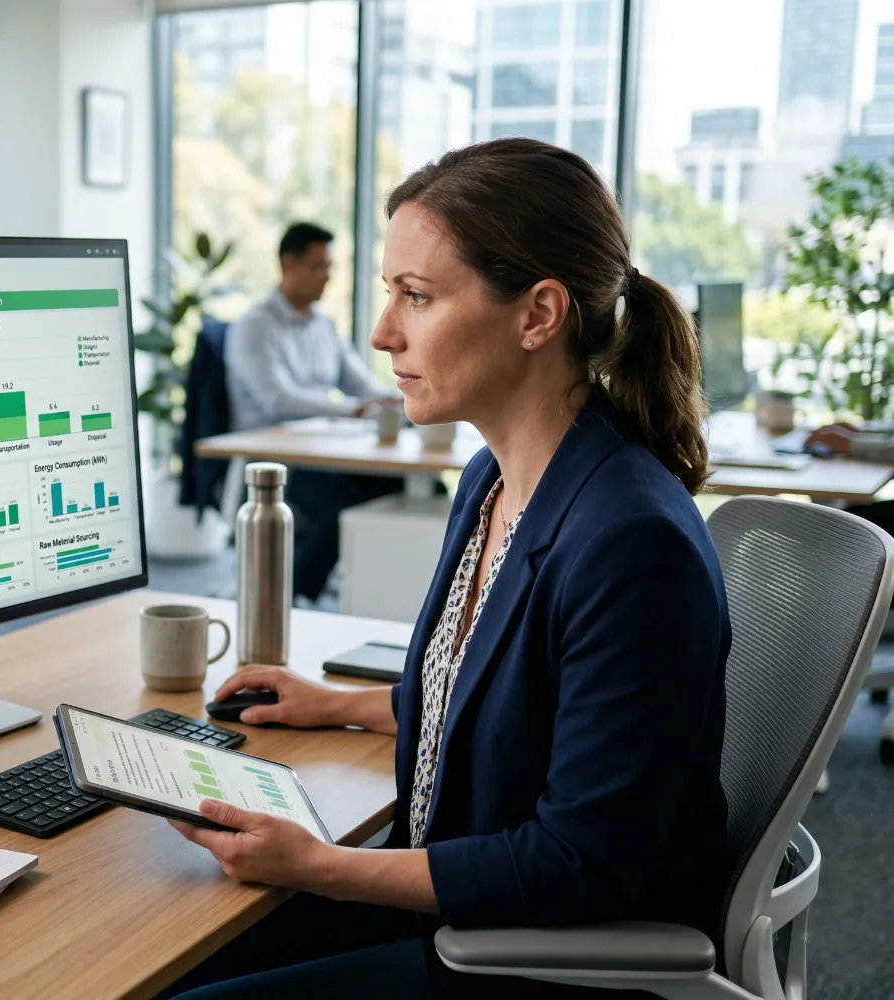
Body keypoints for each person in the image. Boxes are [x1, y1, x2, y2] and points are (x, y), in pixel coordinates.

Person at [163, 138, 731, 999]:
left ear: (538, 315)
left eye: (416, 297)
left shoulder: (629, 542)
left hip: (528, 958)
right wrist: (341, 705)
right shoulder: (494, 477)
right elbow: (511, 700)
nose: (383, 331)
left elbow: (579, 863)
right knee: (166, 952)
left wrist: (323, 867)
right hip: (458, 901)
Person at [224, 222, 404, 603]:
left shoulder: (324, 326)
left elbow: (359, 383)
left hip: (323, 453)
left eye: (330, 268)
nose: (327, 278)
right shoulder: (255, 327)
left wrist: (401, 400)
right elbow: (279, 401)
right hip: (276, 459)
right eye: (318, 266)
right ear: (289, 264)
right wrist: (357, 409)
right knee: (342, 505)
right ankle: (294, 596)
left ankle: (384, 598)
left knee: (403, 489)